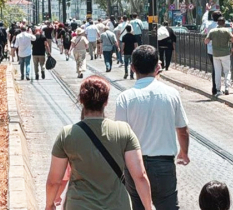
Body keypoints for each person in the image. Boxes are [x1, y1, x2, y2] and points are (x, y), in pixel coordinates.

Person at [45, 76, 153, 210]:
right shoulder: (123, 131)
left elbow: (54, 181)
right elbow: (140, 176)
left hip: (79, 205)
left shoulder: (67, 134)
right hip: (117, 205)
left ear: (81, 100)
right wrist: (148, 207)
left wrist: (49, 205)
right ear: (106, 101)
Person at [115, 45, 190, 210]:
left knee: (138, 206)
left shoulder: (124, 98)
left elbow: (120, 137)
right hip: (163, 165)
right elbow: (182, 129)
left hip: (134, 164)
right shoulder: (171, 94)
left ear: (132, 67)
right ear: (158, 67)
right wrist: (184, 152)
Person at [205, 16, 232, 96]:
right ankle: (227, 88)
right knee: (227, 71)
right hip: (225, 53)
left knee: (217, 72)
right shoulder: (227, 31)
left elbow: (206, 41)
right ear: (224, 23)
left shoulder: (212, 31)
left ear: (217, 23)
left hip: (215, 54)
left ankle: (218, 90)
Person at [201, 3, 222, 95]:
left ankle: (215, 88)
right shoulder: (222, 25)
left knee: (215, 69)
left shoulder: (209, 25)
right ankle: (220, 87)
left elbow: (203, 20)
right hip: (222, 50)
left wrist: (207, 10)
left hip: (211, 50)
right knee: (222, 69)